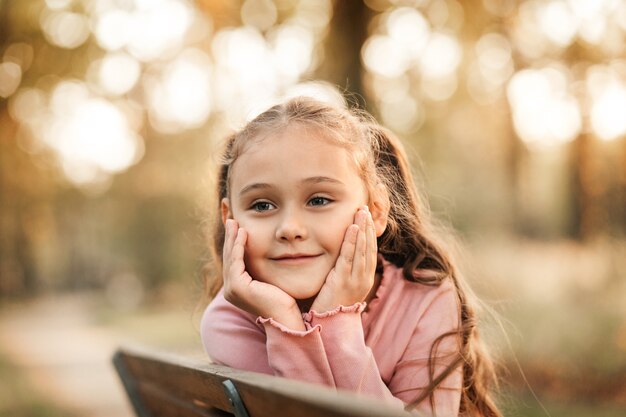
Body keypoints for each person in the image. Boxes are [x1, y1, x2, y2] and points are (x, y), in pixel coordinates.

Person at [200, 96, 501, 416]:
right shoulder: (230, 320)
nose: (289, 229)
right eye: (262, 205)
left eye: (318, 200)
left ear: (376, 209)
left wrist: (335, 319)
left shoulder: (423, 299)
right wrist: (285, 321)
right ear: (228, 217)